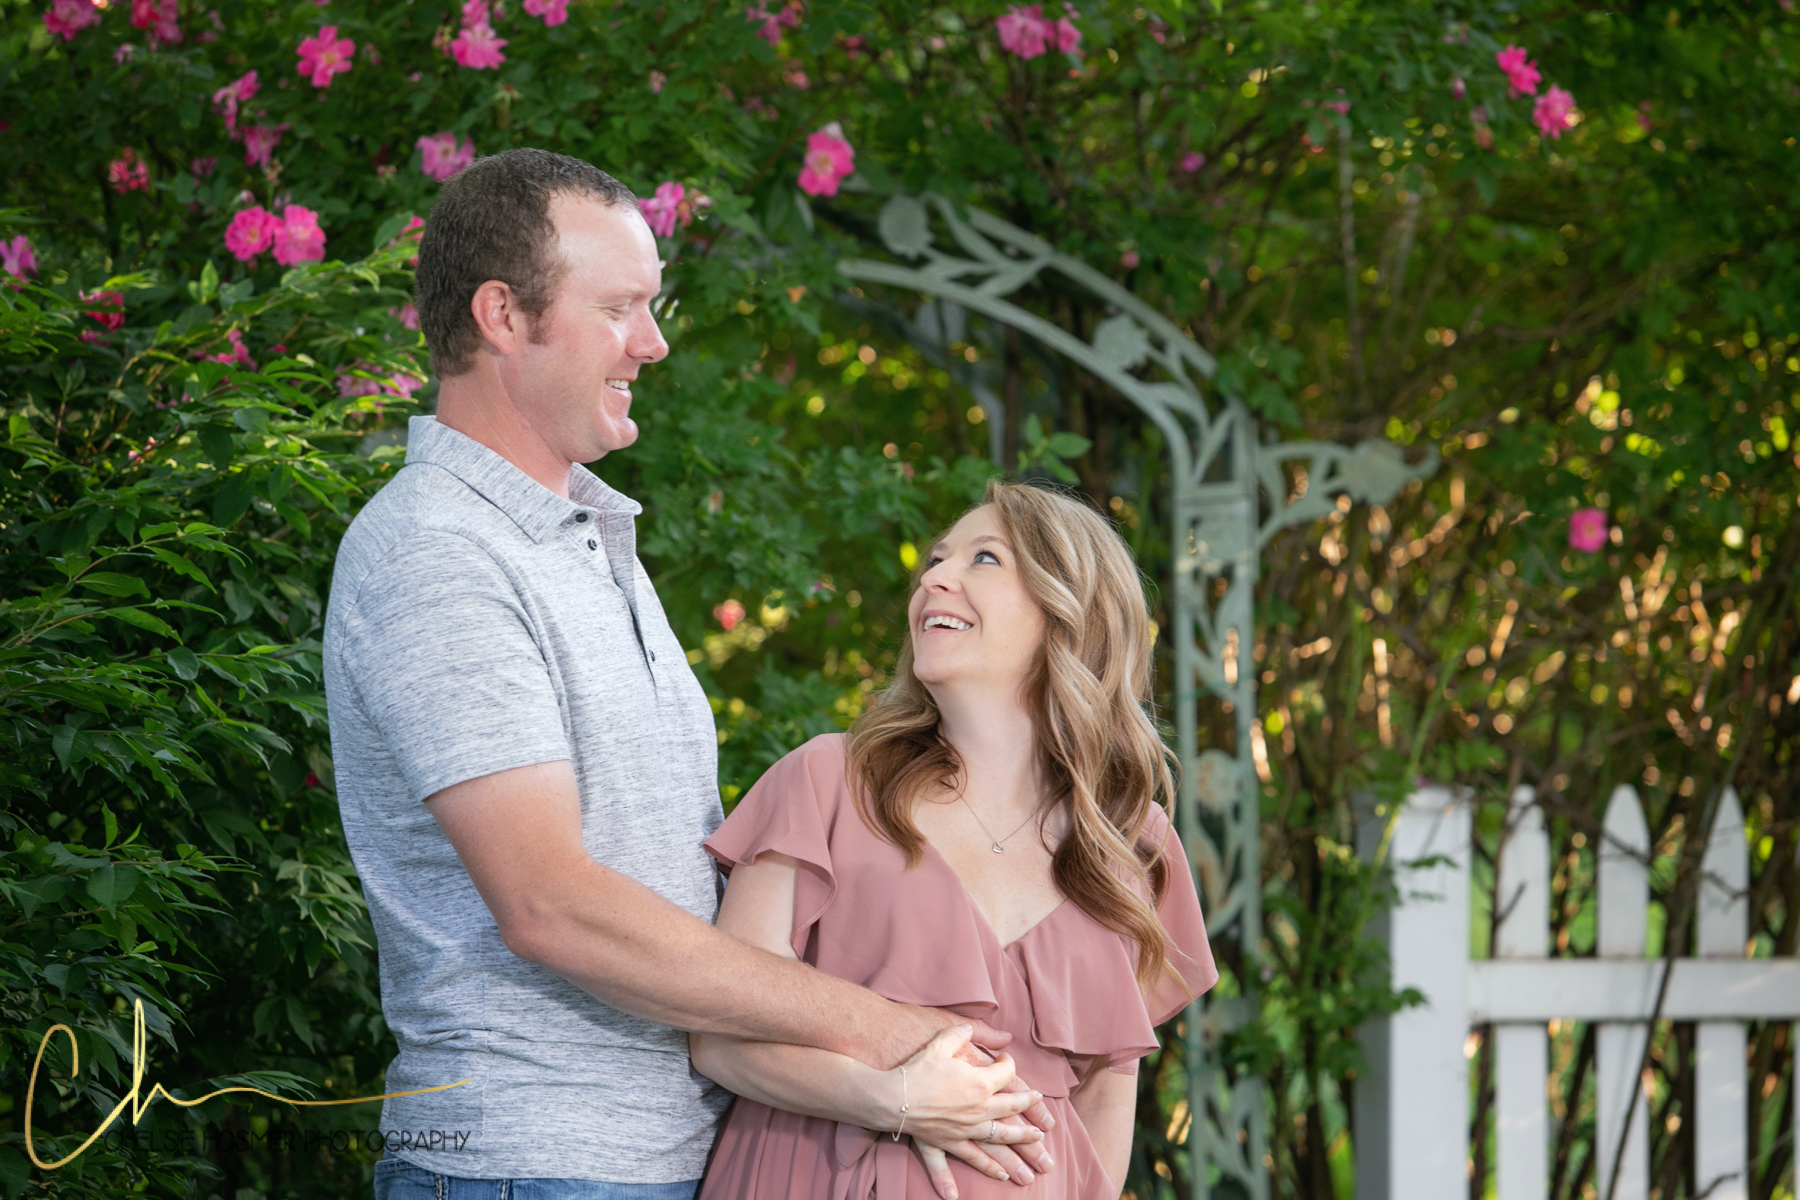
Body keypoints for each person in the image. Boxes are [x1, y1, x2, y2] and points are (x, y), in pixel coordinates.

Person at [323, 148, 1050, 1200]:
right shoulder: (437, 551)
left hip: (662, 1164)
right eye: (619, 308)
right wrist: (891, 1031)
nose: (653, 342)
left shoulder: (578, 537)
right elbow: (551, 905)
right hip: (532, 1169)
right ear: (503, 315)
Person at [691, 480, 1219, 1200]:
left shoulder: (1131, 840)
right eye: (936, 561)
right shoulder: (825, 782)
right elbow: (720, 1036)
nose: (933, 578)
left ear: (1069, 611)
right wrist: (892, 1100)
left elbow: (1105, 1097)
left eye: (984, 559)